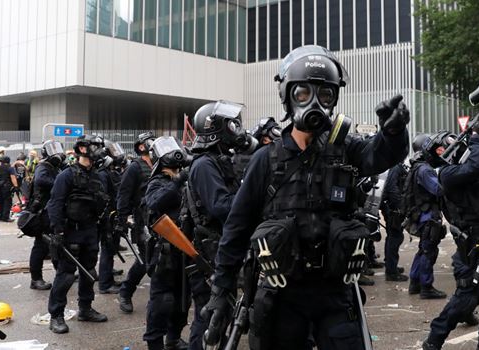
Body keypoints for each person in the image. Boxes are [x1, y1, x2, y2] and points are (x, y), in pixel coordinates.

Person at [207, 45, 409, 350]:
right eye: (303, 93)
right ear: (288, 96)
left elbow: (379, 155)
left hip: (335, 292)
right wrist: (221, 291)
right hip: (283, 292)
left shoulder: (346, 149)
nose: (314, 103)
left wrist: (393, 133)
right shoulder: (266, 159)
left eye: (324, 95)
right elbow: (237, 228)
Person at [422, 120, 479, 350]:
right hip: (474, 246)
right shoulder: (448, 174)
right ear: (440, 150)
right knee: (466, 299)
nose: (456, 143)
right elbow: (478, 163)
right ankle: (433, 340)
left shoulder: (464, 166)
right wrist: (477, 137)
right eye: (450, 142)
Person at [180, 100, 251, 350]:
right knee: (210, 316)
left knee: (225, 313)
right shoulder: (204, 164)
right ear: (215, 127)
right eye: (230, 123)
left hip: (220, 247)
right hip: (208, 252)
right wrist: (251, 199)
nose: (236, 128)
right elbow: (221, 206)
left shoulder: (219, 160)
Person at [46, 135, 109, 334]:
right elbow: (55, 203)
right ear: (82, 149)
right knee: (65, 275)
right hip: (70, 231)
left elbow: (104, 203)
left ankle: (85, 308)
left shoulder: (98, 175)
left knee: (89, 272)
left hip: (90, 230)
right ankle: (56, 316)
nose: (98, 150)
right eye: (94, 146)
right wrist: (58, 231)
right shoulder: (66, 175)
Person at [143, 136, 191, 350]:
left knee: (183, 298)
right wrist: (177, 183)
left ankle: (173, 337)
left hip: (186, 249)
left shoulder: (186, 180)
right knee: (162, 301)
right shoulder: (157, 182)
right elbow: (154, 204)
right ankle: (154, 342)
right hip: (165, 252)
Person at [403, 133, 449, 299]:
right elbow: (438, 190)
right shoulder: (424, 169)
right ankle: (426, 287)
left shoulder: (417, 167)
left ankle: (414, 283)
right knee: (429, 251)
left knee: (423, 250)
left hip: (422, 216)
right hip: (428, 216)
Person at [116, 132, 156, 313]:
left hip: (161, 219)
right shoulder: (135, 167)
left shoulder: (159, 163)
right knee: (144, 261)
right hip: (143, 221)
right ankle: (125, 292)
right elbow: (123, 194)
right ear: (141, 146)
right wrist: (122, 219)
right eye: (149, 141)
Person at [25, 141, 66, 290]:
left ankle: (62, 272)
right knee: (41, 246)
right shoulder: (43, 166)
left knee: (56, 244)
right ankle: (36, 279)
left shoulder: (55, 168)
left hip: (52, 212)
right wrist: (60, 182)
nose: (57, 153)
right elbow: (41, 180)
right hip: (42, 213)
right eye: (53, 150)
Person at [97, 140, 126, 294]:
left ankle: (108, 276)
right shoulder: (102, 173)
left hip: (113, 215)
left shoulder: (111, 171)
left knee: (111, 248)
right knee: (107, 248)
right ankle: (105, 283)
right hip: (108, 217)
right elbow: (104, 197)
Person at [381, 162, 409, 282]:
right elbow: (391, 188)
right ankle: (391, 272)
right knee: (395, 237)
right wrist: (400, 207)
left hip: (392, 208)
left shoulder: (396, 166)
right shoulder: (395, 167)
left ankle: (391, 266)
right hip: (394, 210)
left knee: (392, 237)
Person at [0, 156, 19, 222]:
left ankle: (1, 217)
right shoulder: (10, 168)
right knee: (7, 202)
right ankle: (6, 217)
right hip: (7, 188)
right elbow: (13, 177)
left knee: (1, 202)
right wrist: (16, 186)